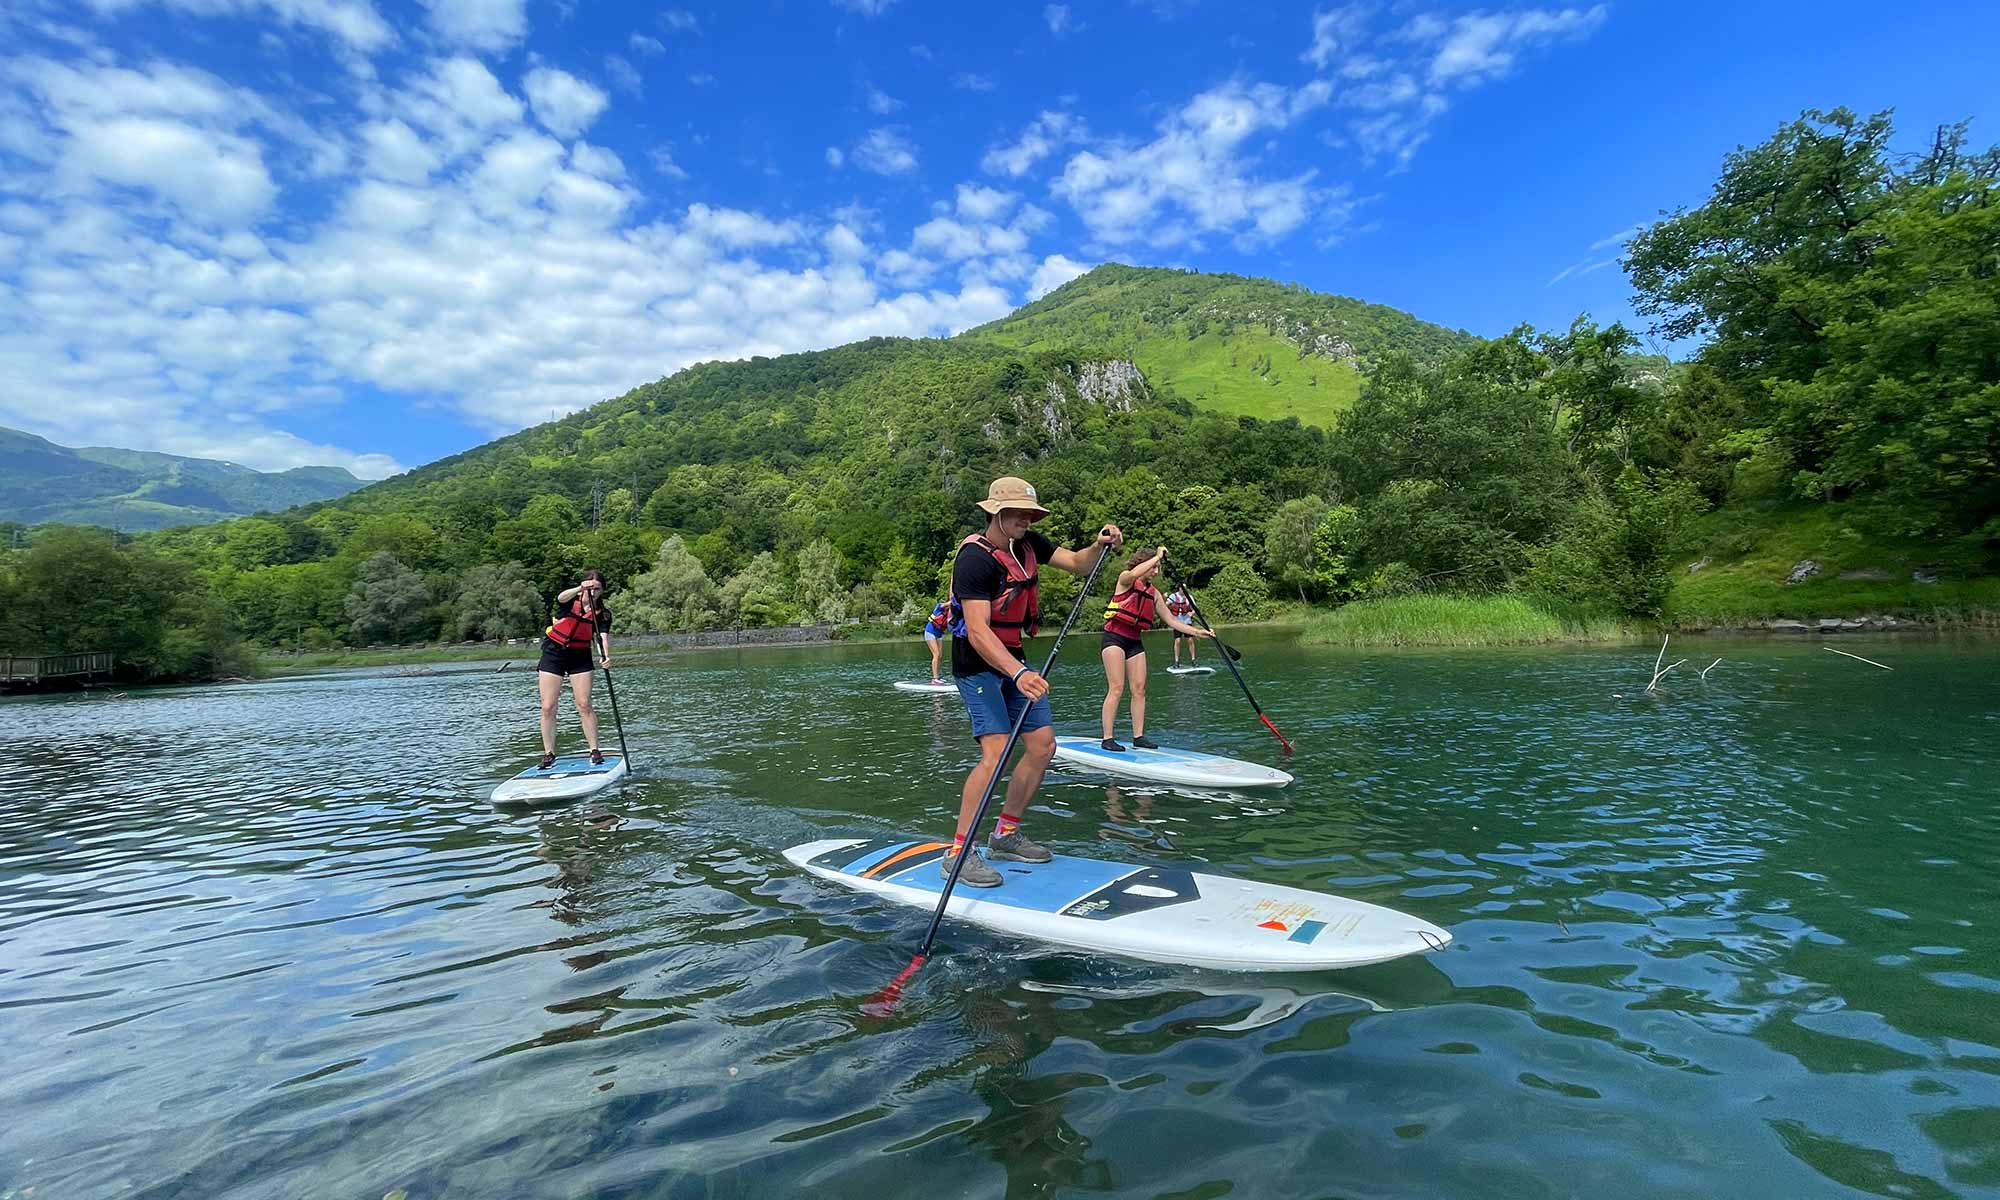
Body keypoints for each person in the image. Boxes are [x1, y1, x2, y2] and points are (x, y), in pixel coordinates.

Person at [945, 476, 1122, 888]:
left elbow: (1078, 563)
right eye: (1018, 514)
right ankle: (959, 853)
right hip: (977, 665)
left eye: (1030, 514)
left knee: (1043, 746)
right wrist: (1020, 673)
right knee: (996, 754)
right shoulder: (974, 560)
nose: (1026, 520)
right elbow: (978, 631)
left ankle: (1004, 835)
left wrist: (1099, 546)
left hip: (1014, 660)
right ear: (996, 514)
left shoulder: (1029, 544)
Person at [1098, 546, 1215, 751]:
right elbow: (1134, 573)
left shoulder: (1154, 594)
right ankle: (1107, 738)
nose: (1156, 571)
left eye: (1158, 567)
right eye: (1154, 567)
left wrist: (1197, 632)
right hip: (1114, 638)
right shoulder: (1125, 579)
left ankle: (1138, 736)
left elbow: (1171, 620)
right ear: (1144, 563)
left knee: (1139, 689)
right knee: (1116, 688)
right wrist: (1158, 556)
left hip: (1134, 641)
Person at [537, 570, 613, 769]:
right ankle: (549, 753)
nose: (593, 592)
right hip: (554, 652)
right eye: (590, 587)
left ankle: (594, 750)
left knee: (584, 704)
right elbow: (560, 597)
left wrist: (605, 656)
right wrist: (580, 588)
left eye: (597, 589)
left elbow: (602, 637)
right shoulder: (570, 600)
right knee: (548, 706)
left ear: (602, 590)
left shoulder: (603, 614)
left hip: (580, 656)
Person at [1166, 584, 1198, 666]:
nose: (1183, 590)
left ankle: (1193, 660)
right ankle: (1176, 661)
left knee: (1190, 640)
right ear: (1179, 588)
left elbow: (1194, 608)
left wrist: (1192, 613)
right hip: (1177, 622)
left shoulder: (1189, 597)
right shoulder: (1173, 596)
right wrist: (1169, 607)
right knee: (1177, 641)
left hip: (1187, 621)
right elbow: (1166, 604)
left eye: (1185, 588)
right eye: (1182, 588)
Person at [922, 598, 950, 683]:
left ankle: (937, 677)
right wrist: (957, 599)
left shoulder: (950, 613)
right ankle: (934, 679)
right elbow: (948, 604)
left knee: (940, 656)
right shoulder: (939, 606)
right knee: (936, 654)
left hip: (939, 634)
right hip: (930, 632)